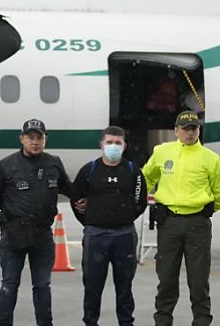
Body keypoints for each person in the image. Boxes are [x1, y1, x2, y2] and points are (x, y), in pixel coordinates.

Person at [142, 110, 220, 326]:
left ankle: (201, 321)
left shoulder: (211, 158)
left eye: (194, 128)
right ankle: (162, 321)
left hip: (197, 224)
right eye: (185, 129)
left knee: (199, 281)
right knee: (166, 278)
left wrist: (201, 211)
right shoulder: (162, 152)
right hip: (168, 222)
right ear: (176, 131)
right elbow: (146, 177)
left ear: (198, 130)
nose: (190, 133)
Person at [0, 119, 74, 326]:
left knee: (42, 286)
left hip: (42, 234)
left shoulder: (54, 163)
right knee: (9, 284)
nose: (35, 142)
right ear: (22, 139)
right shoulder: (6, 166)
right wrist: (15, 212)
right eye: (30, 137)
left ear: (45, 140)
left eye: (39, 137)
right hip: (13, 233)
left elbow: (68, 189)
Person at [71, 126, 147, 326]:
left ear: (124, 146)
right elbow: (76, 200)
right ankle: (90, 322)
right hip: (96, 236)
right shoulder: (89, 170)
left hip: (124, 236)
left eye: (118, 143)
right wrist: (91, 221)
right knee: (92, 287)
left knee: (124, 287)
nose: (113, 146)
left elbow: (140, 202)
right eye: (109, 142)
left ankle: (126, 322)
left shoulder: (133, 171)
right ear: (101, 145)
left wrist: (123, 217)